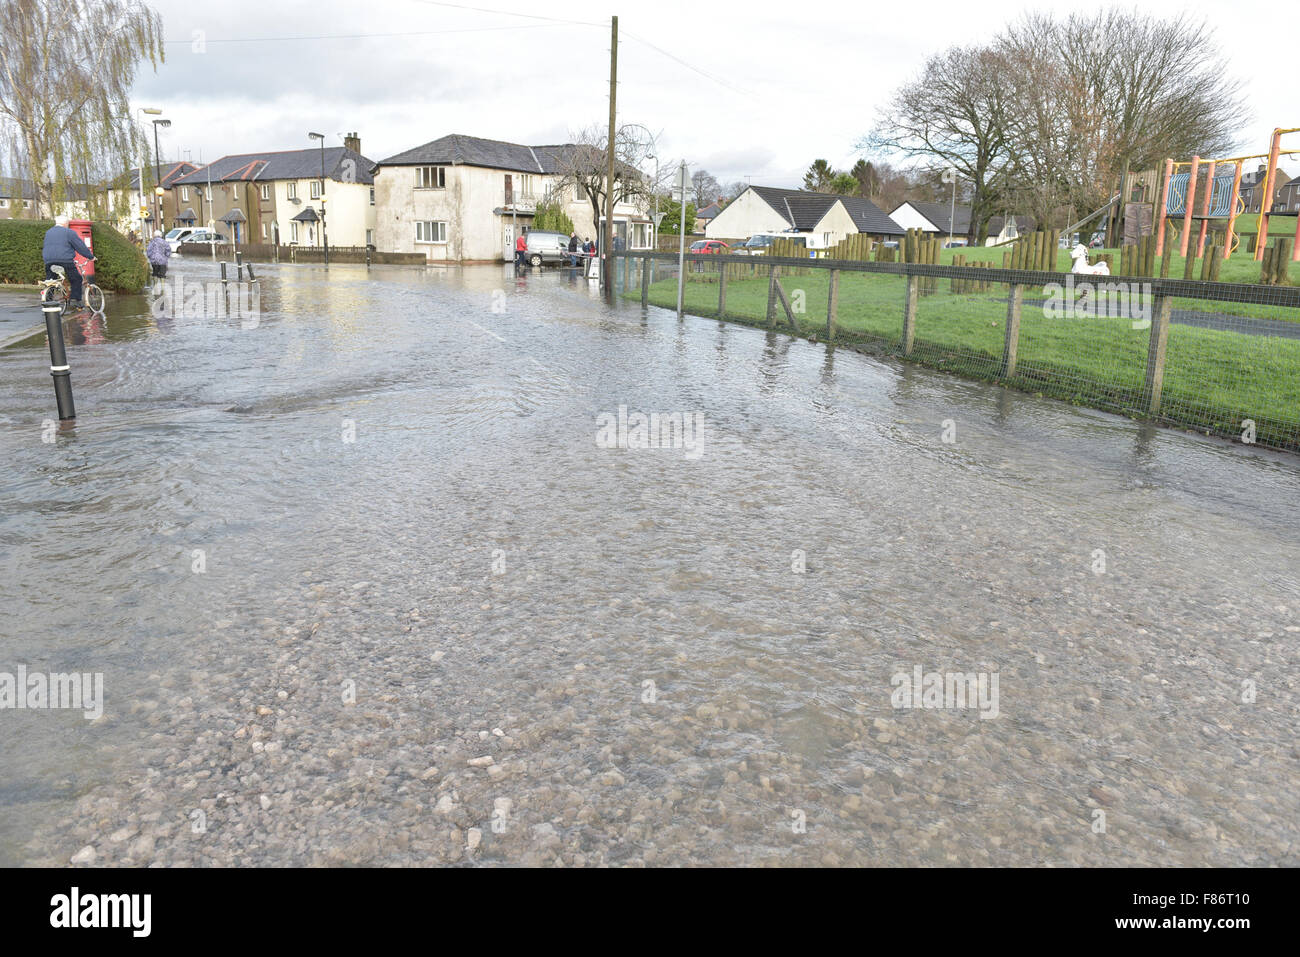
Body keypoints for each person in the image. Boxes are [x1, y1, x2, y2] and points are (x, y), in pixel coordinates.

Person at [42, 215, 95, 308]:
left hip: (48, 260)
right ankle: (75, 299)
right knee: (76, 279)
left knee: (52, 281)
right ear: (66, 223)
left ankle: (48, 301)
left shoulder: (48, 232)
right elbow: (80, 247)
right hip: (65, 260)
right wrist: (91, 257)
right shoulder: (69, 232)